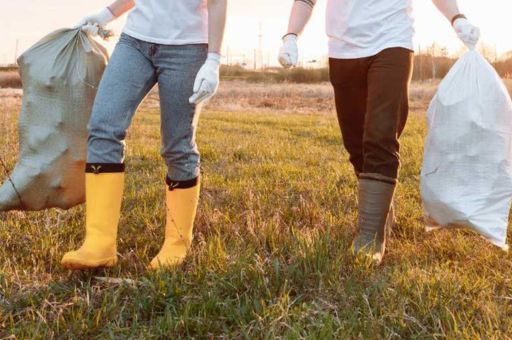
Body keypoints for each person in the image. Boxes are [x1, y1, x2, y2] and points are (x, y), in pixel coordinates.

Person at [279, 0, 480, 264]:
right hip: (343, 49)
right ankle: (381, 209)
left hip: (392, 40)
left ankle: (370, 236)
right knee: (356, 143)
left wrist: (457, 18)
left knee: (380, 135)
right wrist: (291, 35)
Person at [61, 0, 227, 270]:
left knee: (178, 146)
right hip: (134, 42)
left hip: (188, 48)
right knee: (103, 128)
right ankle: (99, 243)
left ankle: (177, 242)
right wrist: (107, 14)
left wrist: (214, 59)